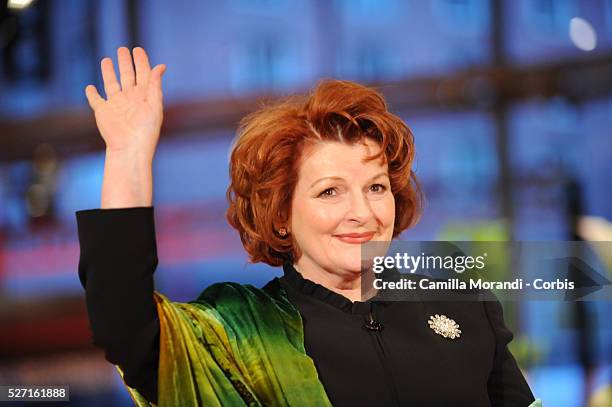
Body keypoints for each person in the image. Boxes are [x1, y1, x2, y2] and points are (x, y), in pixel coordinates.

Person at [76, 47, 542, 406]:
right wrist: (127, 154)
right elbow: (124, 325)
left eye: (376, 188)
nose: (362, 211)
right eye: (329, 192)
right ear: (281, 214)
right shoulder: (237, 334)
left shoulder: (466, 307)